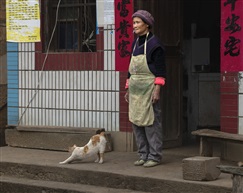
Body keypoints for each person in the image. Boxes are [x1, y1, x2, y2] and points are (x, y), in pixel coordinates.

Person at [124, 10, 166, 167]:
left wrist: (157, 89)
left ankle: (154, 156)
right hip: (135, 90)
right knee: (137, 121)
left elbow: (161, 71)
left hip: (149, 88)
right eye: (133, 23)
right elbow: (131, 69)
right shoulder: (134, 44)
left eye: (137, 23)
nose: (134, 26)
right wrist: (128, 87)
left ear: (147, 24)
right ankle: (143, 154)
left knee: (151, 123)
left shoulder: (155, 44)